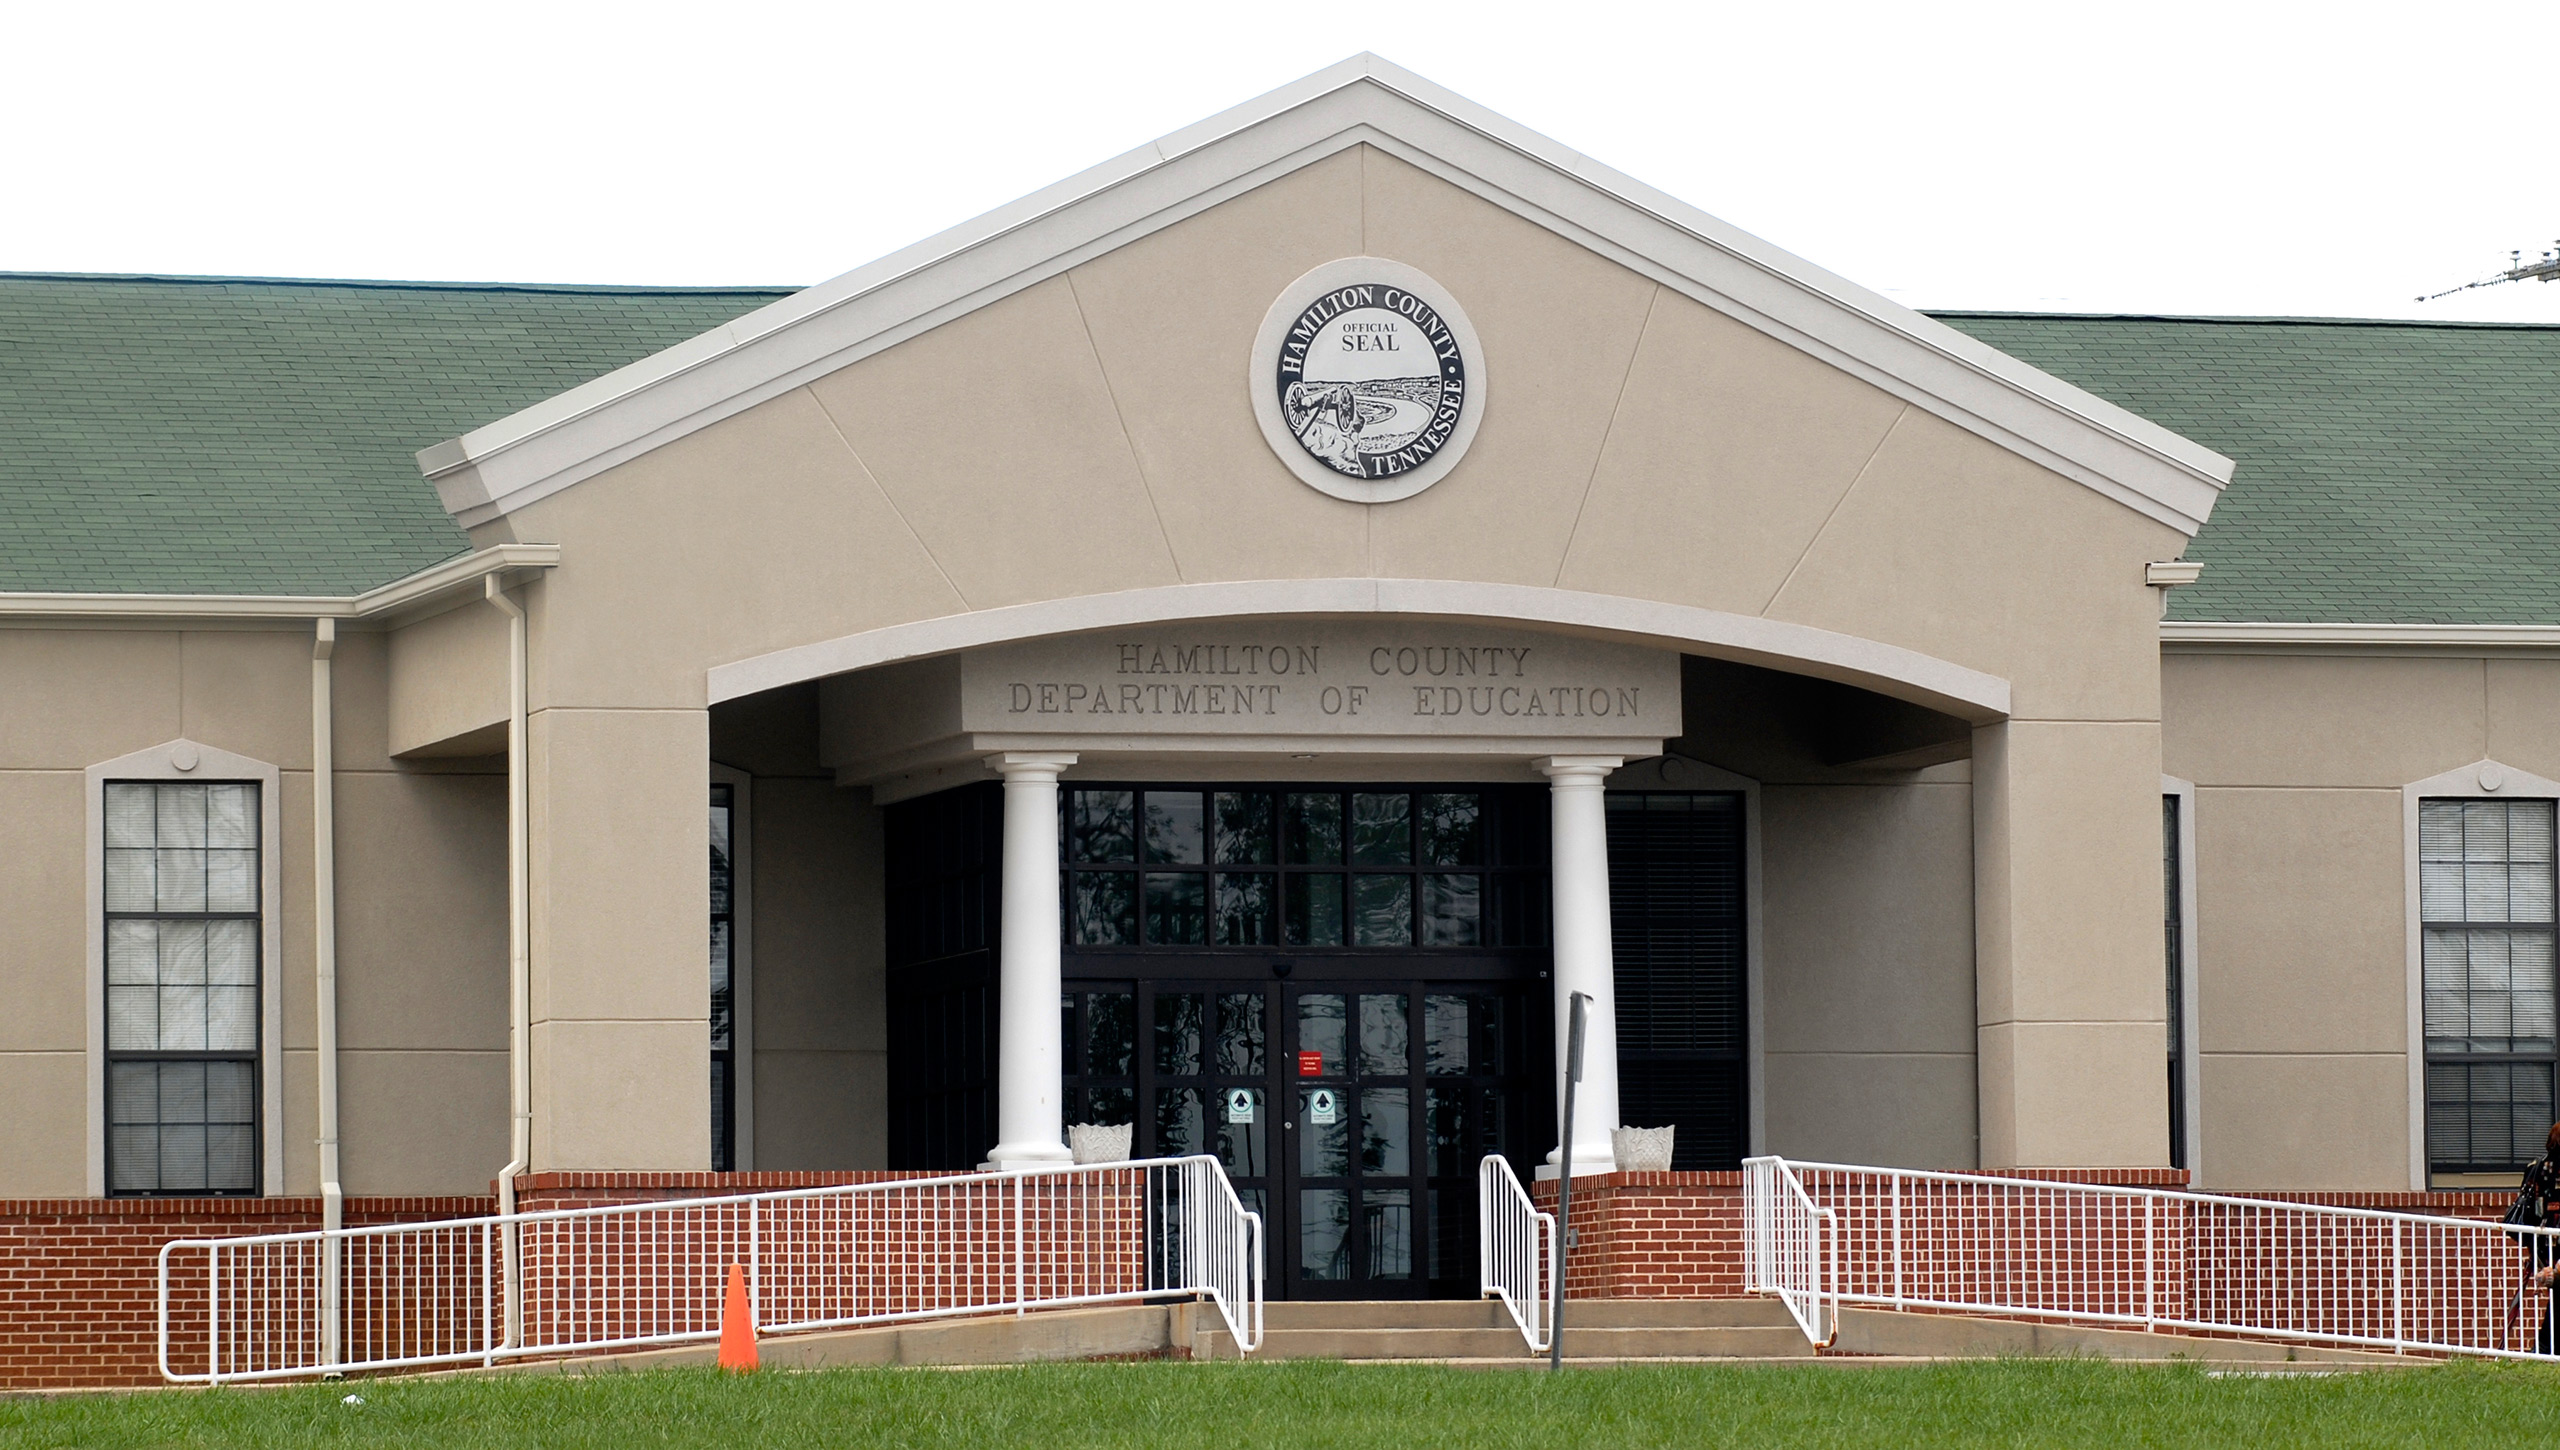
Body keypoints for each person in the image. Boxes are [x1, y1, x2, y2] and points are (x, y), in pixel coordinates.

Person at [2514, 1123, 2560, 1353]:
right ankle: (2544, 1348)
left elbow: (2530, 1206)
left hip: (2541, 1241)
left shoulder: (2536, 1167)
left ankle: (2544, 1348)